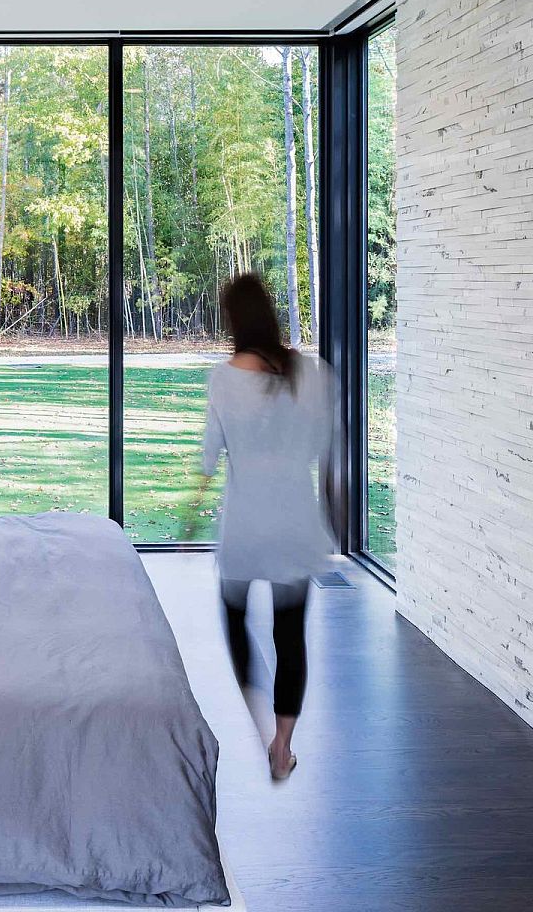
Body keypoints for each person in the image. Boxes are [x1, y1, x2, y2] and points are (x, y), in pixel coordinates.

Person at [198, 273, 338, 781]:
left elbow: (210, 457)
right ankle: (283, 745)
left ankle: (262, 729)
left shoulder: (223, 379)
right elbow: (331, 454)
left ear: (232, 320)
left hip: (245, 529)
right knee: (290, 635)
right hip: (296, 527)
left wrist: (193, 512)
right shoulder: (315, 374)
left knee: (236, 625)